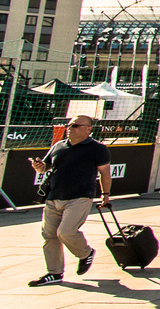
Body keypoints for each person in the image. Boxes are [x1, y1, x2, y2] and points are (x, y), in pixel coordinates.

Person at [27, 115, 111, 287]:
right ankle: (54, 273)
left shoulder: (98, 148)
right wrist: (39, 166)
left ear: (88, 129)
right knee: (49, 235)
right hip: (54, 197)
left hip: (80, 197)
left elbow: (105, 173)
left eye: (75, 125)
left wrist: (106, 195)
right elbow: (46, 166)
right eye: (69, 125)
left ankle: (85, 253)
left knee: (65, 232)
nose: (70, 128)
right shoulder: (59, 146)